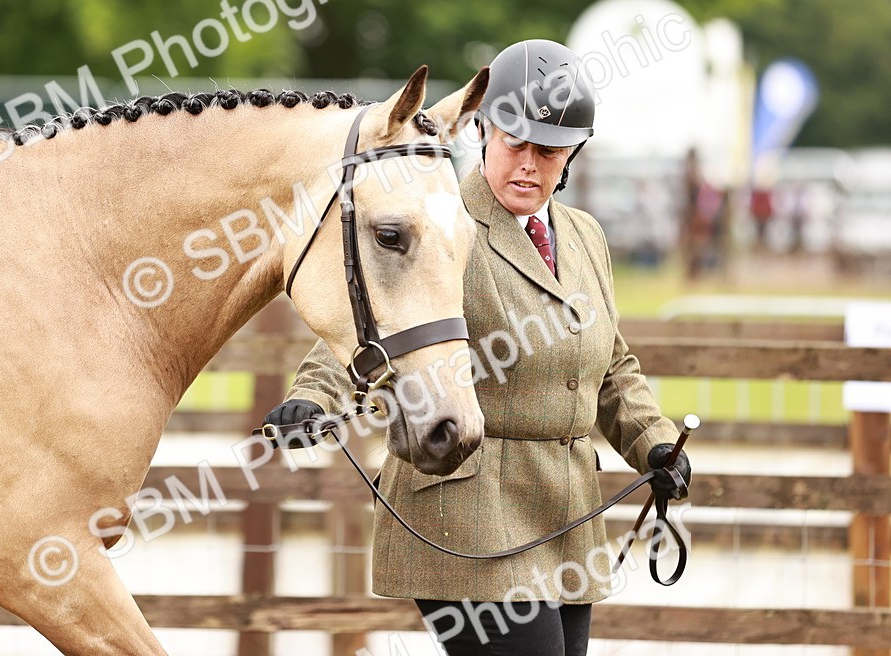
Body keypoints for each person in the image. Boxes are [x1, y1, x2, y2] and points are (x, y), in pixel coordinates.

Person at [263, 40, 692, 656]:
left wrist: (654, 442)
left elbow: (612, 364)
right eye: (515, 143)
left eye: (548, 151)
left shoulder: (583, 234)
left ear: (571, 154)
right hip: (468, 508)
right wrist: (313, 398)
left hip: (564, 512)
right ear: (485, 130)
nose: (528, 165)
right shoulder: (444, 219)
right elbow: (378, 325)